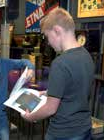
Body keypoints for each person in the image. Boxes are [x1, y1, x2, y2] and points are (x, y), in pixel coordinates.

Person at [22, 8, 94, 140]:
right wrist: (51, 92)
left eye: (48, 37)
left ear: (57, 31)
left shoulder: (60, 63)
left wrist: (30, 117)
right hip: (84, 129)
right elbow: (75, 89)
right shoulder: (86, 55)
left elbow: (50, 109)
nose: (48, 43)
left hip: (63, 133)